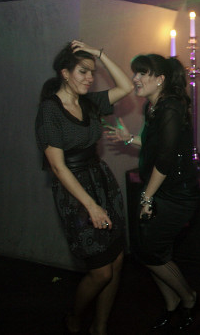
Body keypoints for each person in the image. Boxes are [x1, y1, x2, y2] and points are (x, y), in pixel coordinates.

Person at [35, 40, 134, 334]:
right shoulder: (50, 110)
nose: (90, 78)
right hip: (75, 192)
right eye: (83, 71)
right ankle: (75, 315)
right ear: (65, 73)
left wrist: (99, 54)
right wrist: (91, 205)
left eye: (92, 72)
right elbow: (57, 167)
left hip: (102, 182)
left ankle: (99, 327)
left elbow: (126, 86)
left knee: (116, 261)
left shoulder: (90, 103)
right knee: (101, 271)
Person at [109, 54, 200, 332]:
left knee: (151, 252)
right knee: (148, 250)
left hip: (175, 194)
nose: (135, 78)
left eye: (141, 73)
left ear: (160, 79)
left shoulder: (170, 107)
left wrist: (147, 197)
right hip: (159, 188)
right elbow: (154, 143)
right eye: (135, 73)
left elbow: (165, 158)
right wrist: (128, 138)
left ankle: (189, 298)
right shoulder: (155, 106)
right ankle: (171, 305)